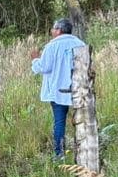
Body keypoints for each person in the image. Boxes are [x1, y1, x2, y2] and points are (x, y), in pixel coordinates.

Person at [31, 18, 85, 159]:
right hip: (79, 89)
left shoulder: (52, 46)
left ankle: (59, 154)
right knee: (82, 120)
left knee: (59, 122)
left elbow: (43, 67)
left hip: (58, 90)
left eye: (53, 29)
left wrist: (35, 59)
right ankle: (84, 150)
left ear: (59, 30)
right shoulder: (80, 44)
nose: (52, 31)